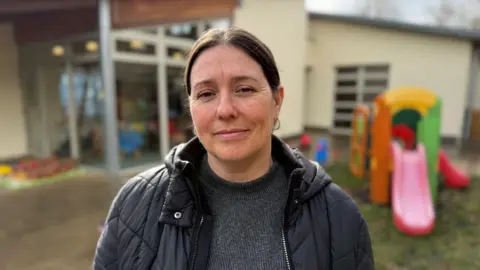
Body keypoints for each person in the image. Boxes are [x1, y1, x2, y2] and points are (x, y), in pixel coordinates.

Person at [93, 27, 374, 270]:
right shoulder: (135, 206)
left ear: (277, 101)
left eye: (245, 89)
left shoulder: (337, 216)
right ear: (191, 110)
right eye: (206, 94)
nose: (225, 110)